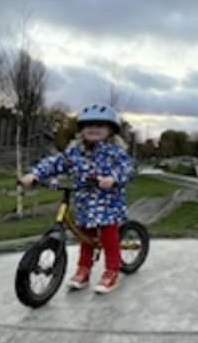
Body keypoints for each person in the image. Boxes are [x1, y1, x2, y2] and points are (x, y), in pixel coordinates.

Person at [19, 104, 135, 294]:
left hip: (109, 204)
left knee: (109, 236)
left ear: (111, 130)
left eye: (100, 125)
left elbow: (129, 169)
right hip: (85, 204)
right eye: (88, 125)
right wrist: (34, 174)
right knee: (86, 238)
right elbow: (55, 163)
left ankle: (112, 271)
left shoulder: (115, 153)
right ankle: (84, 269)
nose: (93, 129)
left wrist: (113, 179)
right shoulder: (75, 152)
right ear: (81, 130)